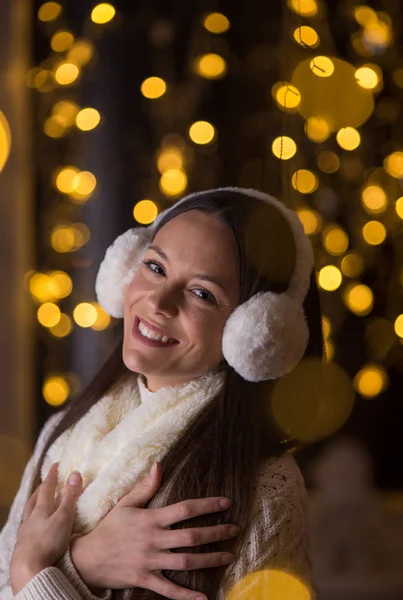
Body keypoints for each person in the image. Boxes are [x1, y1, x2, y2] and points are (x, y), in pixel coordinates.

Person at [0, 187, 322, 600]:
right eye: (155, 267)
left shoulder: (266, 487)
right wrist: (82, 564)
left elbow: (18, 575)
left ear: (254, 333)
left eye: (202, 293)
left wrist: (36, 570)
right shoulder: (62, 434)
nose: (158, 302)